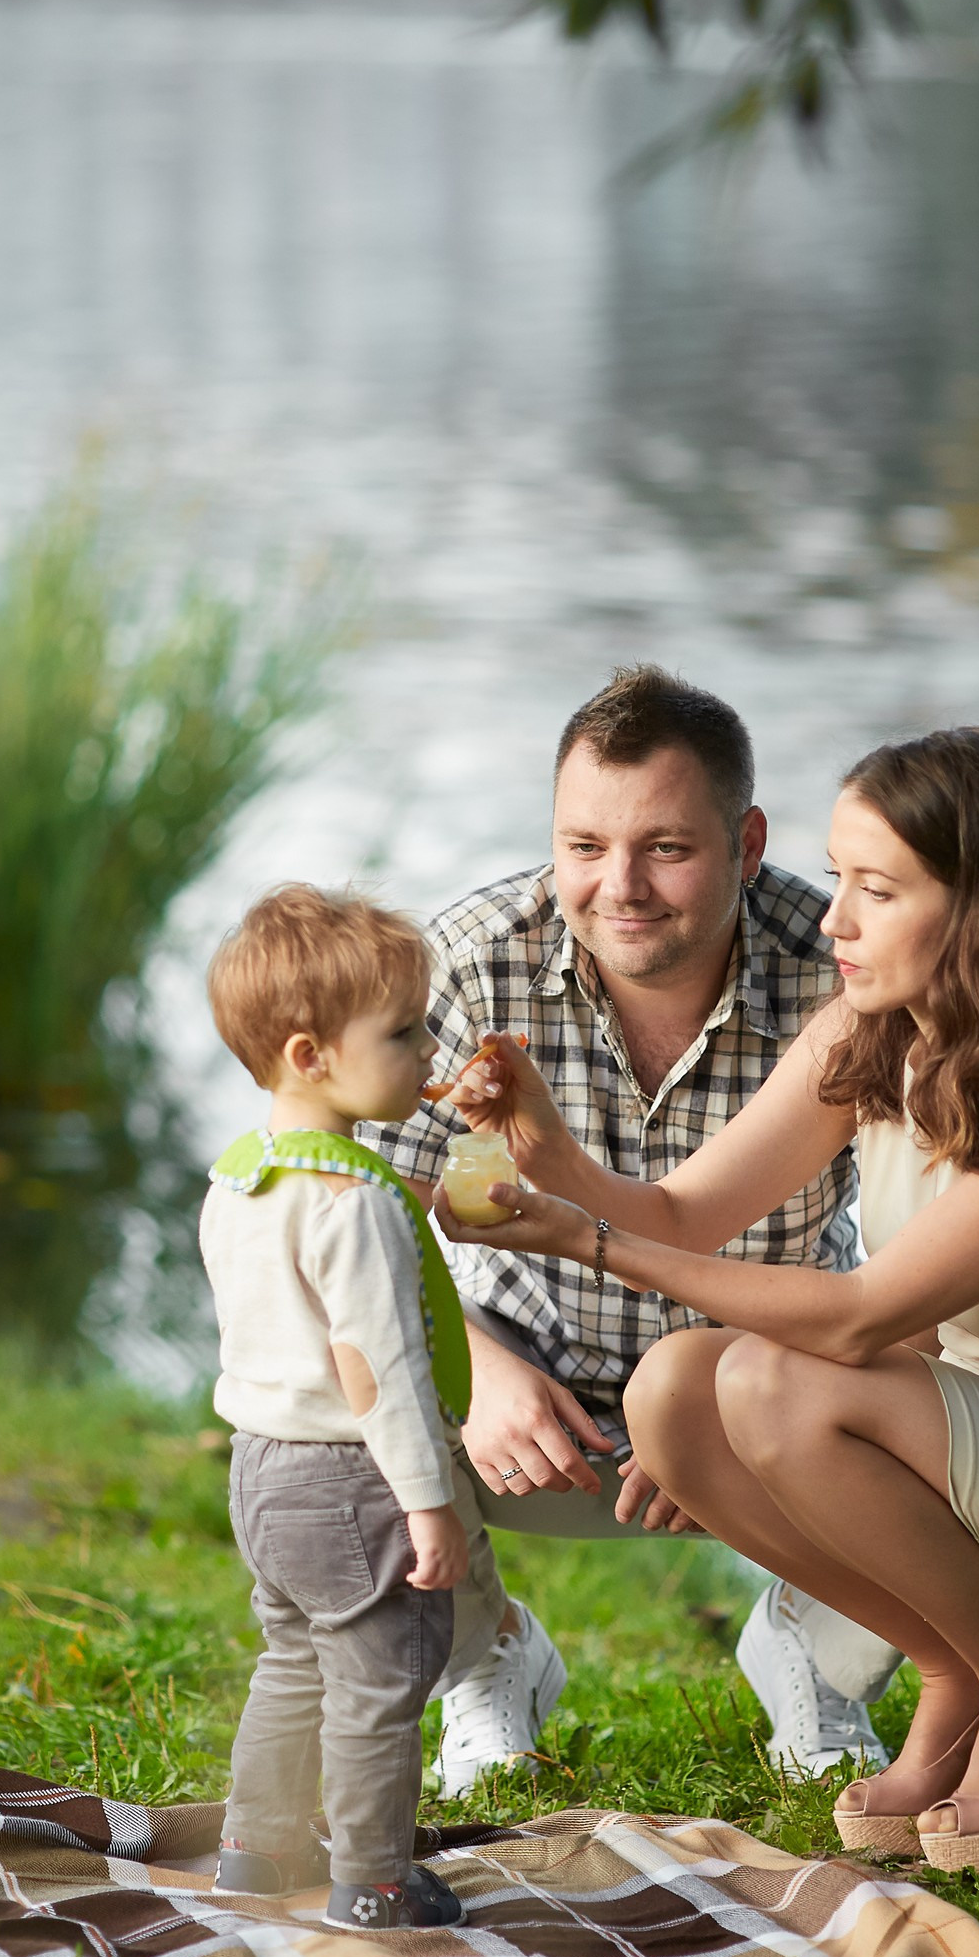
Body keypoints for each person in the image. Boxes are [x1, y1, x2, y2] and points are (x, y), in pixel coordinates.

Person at [435, 726, 979, 1876]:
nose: (832, 922)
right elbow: (679, 1212)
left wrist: (588, 1240)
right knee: (673, 1389)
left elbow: (862, 1317)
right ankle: (956, 1668)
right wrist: (548, 1152)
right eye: (838, 880)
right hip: (970, 1478)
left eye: (876, 890)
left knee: (771, 1377)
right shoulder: (871, 1035)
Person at [368, 668, 900, 1793]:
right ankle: (486, 1657)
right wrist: (482, 1367)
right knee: (335, 1376)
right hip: (534, 1390)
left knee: (968, 1380)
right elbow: (368, 1209)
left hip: (769, 1391)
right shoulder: (470, 958)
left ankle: (818, 1654)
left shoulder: (845, 971)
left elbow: (921, 1256)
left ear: (746, 843)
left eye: (666, 848)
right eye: (584, 846)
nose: (620, 888)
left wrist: (706, 1398)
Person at [199, 884, 469, 1931]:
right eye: (402, 1033)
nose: (426, 1050)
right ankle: (372, 1881)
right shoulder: (353, 1205)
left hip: (259, 1468)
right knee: (379, 1683)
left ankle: (256, 1852)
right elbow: (376, 1369)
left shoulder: (239, 1179)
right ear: (310, 1056)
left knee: (293, 1665)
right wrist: (429, 1502)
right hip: (350, 1476)